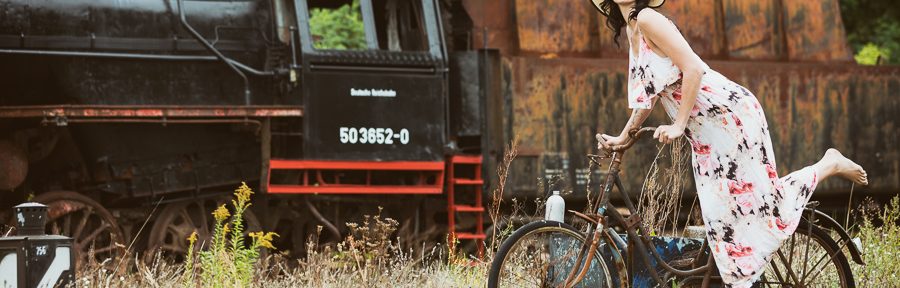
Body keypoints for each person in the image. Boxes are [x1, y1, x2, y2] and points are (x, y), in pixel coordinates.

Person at [590, 0, 868, 287]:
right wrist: (624, 136)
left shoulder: (648, 18)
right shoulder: (633, 30)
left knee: (761, 205)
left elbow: (693, 68)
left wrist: (679, 124)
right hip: (705, 135)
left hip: (728, 117)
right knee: (722, 220)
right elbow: (647, 98)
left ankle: (829, 164)